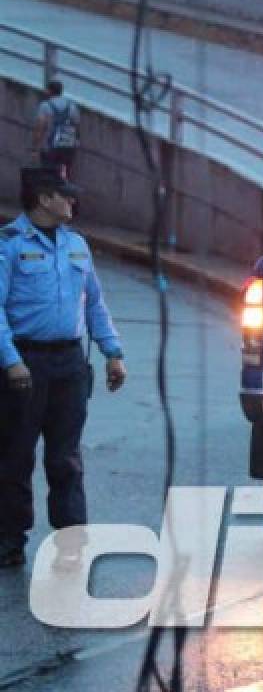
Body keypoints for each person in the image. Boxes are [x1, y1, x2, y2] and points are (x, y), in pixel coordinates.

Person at [0, 168, 127, 571]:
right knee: (15, 455)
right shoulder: (10, 245)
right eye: (65, 196)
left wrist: (113, 351)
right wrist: (11, 361)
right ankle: (10, 540)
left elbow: (93, 304)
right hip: (26, 361)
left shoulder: (77, 245)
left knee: (65, 457)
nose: (73, 203)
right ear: (43, 199)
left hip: (70, 362)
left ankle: (70, 543)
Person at [30, 81, 81, 180]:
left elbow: (40, 128)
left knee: (48, 174)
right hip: (69, 145)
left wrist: (35, 147)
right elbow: (77, 125)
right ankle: (64, 191)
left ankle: (50, 193)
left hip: (51, 146)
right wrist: (77, 142)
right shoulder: (71, 106)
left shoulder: (45, 106)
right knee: (65, 172)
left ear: (49, 91)